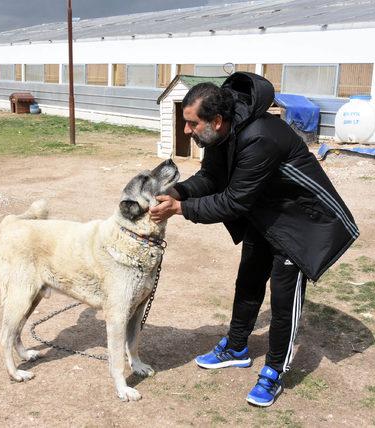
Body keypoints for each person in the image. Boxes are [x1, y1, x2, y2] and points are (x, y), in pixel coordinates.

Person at [149, 72, 359, 407]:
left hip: (299, 220)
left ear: (215, 120)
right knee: (248, 280)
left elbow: (234, 201)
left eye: (191, 124)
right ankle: (236, 346)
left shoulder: (259, 137)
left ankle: (275, 370)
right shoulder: (222, 133)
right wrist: (179, 191)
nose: (187, 131)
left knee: (283, 299)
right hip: (265, 214)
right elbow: (211, 177)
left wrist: (180, 209)